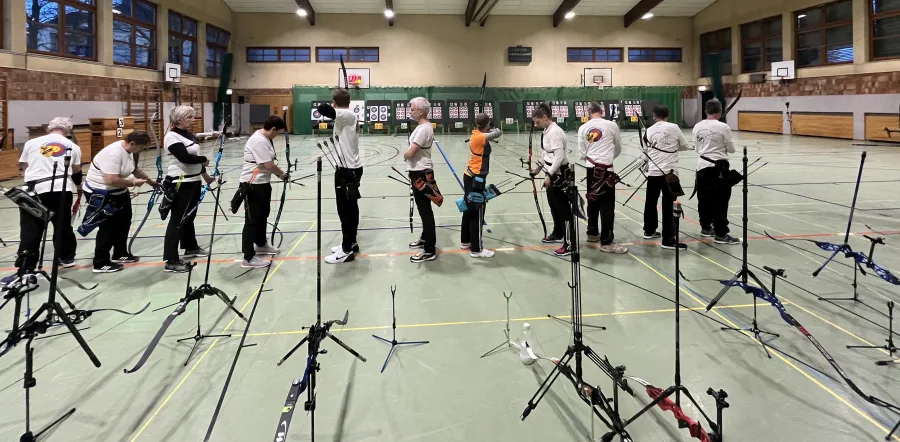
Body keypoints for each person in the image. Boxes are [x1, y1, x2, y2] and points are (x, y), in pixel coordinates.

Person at [15, 117, 82, 273]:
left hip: (34, 190)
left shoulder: (31, 143)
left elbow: (24, 166)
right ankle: (66, 258)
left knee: (31, 228)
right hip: (60, 190)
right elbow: (76, 171)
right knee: (62, 225)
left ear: (48, 129)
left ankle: (26, 265)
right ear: (68, 130)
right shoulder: (73, 146)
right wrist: (79, 188)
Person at [82, 131, 155, 273]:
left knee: (124, 222)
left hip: (119, 191)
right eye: (141, 147)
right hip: (101, 192)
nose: (141, 150)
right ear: (132, 143)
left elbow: (134, 169)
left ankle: (120, 253)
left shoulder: (130, 151)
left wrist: (151, 181)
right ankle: (100, 262)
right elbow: (111, 180)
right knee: (108, 227)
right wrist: (133, 183)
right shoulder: (114, 154)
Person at [160, 105, 215, 273]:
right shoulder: (171, 136)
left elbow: (195, 159)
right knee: (177, 220)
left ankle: (190, 247)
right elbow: (184, 158)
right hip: (180, 182)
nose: (193, 119)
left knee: (189, 217)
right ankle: (171, 260)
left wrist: (205, 176)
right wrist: (203, 159)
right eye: (189, 117)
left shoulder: (187, 134)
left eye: (193, 116)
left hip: (194, 180)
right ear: (179, 119)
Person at [319, 89, 364, 264]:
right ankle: (350, 242)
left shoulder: (345, 114)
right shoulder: (347, 115)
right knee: (350, 208)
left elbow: (323, 109)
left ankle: (346, 251)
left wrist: (335, 104)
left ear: (335, 102)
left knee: (345, 210)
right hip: (349, 168)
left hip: (346, 169)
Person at [238, 115, 288, 269]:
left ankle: (260, 244)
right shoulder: (259, 140)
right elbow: (268, 165)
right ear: (272, 129)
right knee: (252, 220)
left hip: (262, 183)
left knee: (262, 215)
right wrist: (282, 174)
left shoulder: (265, 138)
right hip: (252, 184)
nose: (277, 135)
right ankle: (248, 258)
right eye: (277, 132)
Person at [577, 102, 627, 254]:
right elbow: (618, 147)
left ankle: (592, 232)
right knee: (607, 205)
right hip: (606, 169)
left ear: (588, 113)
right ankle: (606, 241)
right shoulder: (611, 125)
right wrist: (608, 158)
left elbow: (581, 153)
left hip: (591, 168)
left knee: (592, 199)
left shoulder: (583, 127)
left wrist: (593, 159)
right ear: (602, 111)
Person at [644, 104, 691, 250]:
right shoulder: (674, 127)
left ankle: (649, 230)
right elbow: (684, 145)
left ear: (654, 116)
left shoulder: (648, 130)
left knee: (651, 201)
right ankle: (668, 240)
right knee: (669, 204)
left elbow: (646, 149)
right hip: (670, 174)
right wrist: (671, 147)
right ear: (667, 115)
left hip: (653, 172)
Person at [693, 99, 739, 245]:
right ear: (719, 111)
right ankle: (721, 234)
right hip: (718, 168)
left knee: (704, 199)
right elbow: (731, 149)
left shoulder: (697, 126)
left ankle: (706, 227)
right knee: (720, 201)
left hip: (701, 166)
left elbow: (697, 148)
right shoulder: (723, 127)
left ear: (706, 111)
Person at [531, 102, 572, 257]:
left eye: (537, 121)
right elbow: (547, 155)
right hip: (551, 173)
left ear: (545, 117)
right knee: (554, 206)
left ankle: (569, 244)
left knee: (563, 209)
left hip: (559, 175)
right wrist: (538, 168)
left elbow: (559, 157)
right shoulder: (546, 131)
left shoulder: (555, 132)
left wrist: (549, 175)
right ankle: (558, 232)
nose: (536, 125)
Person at [462, 113, 501, 258]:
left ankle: (465, 241)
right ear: (487, 124)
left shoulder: (476, 134)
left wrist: (487, 128)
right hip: (476, 178)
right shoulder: (480, 137)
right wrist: (491, 128)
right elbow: (499, 132)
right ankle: (477, 249)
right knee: (477, 213)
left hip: (470, 176)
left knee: (468, 210)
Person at [404, 97, 438, 263]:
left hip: (420, 173)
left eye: (412, 109)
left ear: (420, 111)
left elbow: (410, 153)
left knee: (425, 211)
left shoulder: (423, 129)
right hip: (418, 171)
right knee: (423, 208)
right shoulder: (422, 127)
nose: (410, 112)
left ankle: (429, 250)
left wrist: (405, 154)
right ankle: (425, 238)